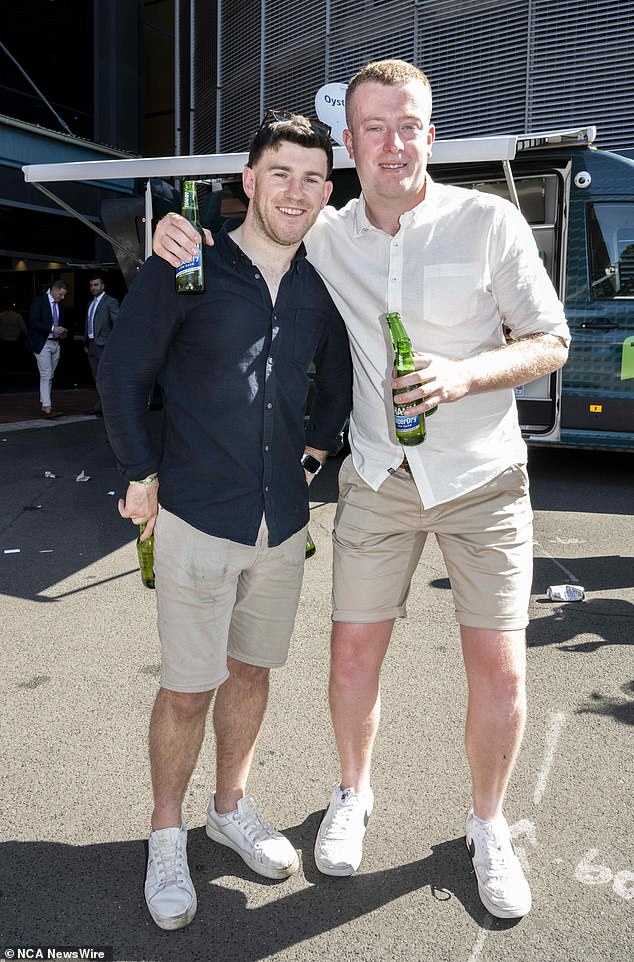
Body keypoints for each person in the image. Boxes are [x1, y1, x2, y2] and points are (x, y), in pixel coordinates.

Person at [152, 59, 570, 920]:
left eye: (407, 124)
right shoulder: (328, 232)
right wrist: (174, 230)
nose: (391, 143)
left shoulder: (487, 220)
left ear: (431, 131)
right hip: (378, 476)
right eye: (373, 127)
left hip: (484, 477)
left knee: (500, 672)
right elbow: (258, 230)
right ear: (349, 144)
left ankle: (487, 824)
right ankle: (352, 793)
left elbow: (550, 339)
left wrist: (463, 374)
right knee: (350, 658)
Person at [98, 110, 351, 931]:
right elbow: (124, 371)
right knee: (184, 690)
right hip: (198, 517)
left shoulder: (321, 286)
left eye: (313, 177)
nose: (296, 191)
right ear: (249, 181)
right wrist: (140, 473)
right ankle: (165, 835)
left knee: (251, 674)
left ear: (326, 191)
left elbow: (338, 385)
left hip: (281, 524)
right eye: (280, 173)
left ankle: (229, 807)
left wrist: (314, 454)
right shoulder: (192, 264)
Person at [26, 280, 69, 418]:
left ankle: (45, 402)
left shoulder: (60, 306)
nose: (62, 298)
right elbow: (33, 322)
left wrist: (61, 332)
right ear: (55, 290)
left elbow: (59, 323)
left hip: (55, 343)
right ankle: (47, 407)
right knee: (46, 374)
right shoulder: (39, 301)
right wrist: (52, 328)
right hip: (42, 343)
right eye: (61, 294)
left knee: (49, 375)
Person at [83, 273, 119, 416]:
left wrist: (111, 344)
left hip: (104, 345)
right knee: (96, 377)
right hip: (92, 344)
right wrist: (86, 341)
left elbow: (117, 323)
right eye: (91, 285)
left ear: (103, 286)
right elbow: (89, 322)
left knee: (105, 377)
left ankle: (108, 408)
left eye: (96, 284)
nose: (93, 287)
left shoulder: (110, 302)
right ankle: (99, 406)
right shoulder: (90, 303)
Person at [0, 303, 28, 374]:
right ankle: (14, 370)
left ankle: (6, 370)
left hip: (4, 340)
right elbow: (23, 328)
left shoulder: (1, 316)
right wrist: (27, 336)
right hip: (15, 340)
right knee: (14, 357)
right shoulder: (17, 316)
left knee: (5, 356)